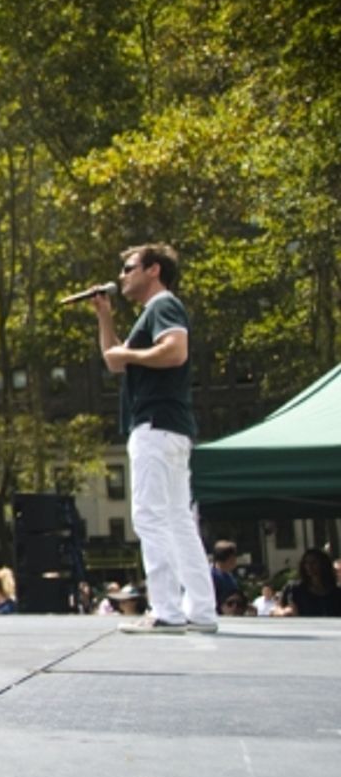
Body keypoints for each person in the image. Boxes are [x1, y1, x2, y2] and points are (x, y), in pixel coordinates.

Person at [91, 243, 218, 635]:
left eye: (128, 268)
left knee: (150, 516)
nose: (121, 276)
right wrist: (105, 316)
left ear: (153, 270)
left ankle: (166, 610)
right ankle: (201, 610)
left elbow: (175, 352)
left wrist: (133, 355)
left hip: (155, 425)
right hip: (171, 428)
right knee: (179, 519)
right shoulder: (152, 313)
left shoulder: (163, 306)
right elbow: (114, 360)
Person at [279, 548, 341, 617]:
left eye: (314, 562)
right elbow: (276, 609)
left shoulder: (337, 593)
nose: (309, 566)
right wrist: (284, 612)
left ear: (323, 564)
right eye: (306, 563)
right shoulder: (294, 589)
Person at [210, 540, 241, 614]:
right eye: (234, 557)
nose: (236, 561)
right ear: (230, 559)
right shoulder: (212, 576)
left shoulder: (229, 576)